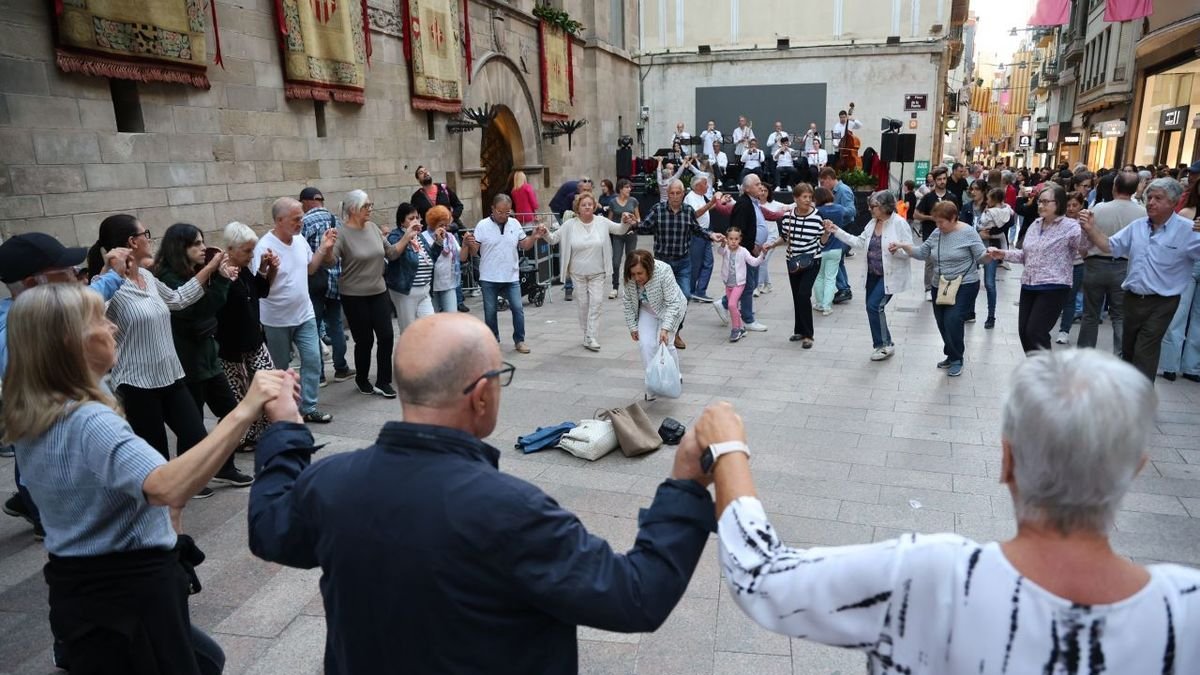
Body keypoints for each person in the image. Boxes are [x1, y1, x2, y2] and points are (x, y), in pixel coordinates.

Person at [247, 312, 714, 673]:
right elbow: (636, 595)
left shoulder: (332, 482)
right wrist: (686, 483)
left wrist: (286, 427)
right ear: (482, 395)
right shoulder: (512, 511)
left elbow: (270, 528)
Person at [701, 350, 1200, 674]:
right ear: (1136, 469)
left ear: (1007, 460)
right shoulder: (1187, 610)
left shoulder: (934, 576)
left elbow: (762, 575)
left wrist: (728, 445)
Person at [6, 283, 288, 674]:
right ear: (70, 342)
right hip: (126, 593)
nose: (113, 328)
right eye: (100, 320)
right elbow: (164, 486)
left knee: (207, 659)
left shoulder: (35, 409)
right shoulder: (88, 420)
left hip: (82, 587)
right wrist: (245, 409)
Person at [0, 233, 131, 538]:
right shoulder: (14, 333)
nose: (77, 278)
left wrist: (112, 277)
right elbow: (162, 486)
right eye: (68, 272)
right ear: (34, 284)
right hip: (72, 474)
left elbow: (85, 294)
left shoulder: (51, 311)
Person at [88, 216, 228, 484]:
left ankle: (180, 488)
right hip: (137, 384)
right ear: (133, 241)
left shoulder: (147, 278)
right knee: (155, 456)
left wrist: (210, 268)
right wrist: (108, 271)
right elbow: (88, 314)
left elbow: (178, 299)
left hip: (171, 376)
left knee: (197, 436)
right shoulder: (105, 285)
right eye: (146, 234)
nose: (150, 239)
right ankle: (160, 507)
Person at [155, 223, 254, 488]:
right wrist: (218, 278)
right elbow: (195, 311)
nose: (203, 248)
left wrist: (219, 279)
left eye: (202, 242)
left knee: (232, 414)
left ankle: (224, 466)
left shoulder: (194, 272)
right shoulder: (167, 277)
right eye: (196, 244)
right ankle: (191, 478)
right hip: (187, 362)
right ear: (181, 247)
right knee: (193, 425)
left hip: (208, 358)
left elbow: (209, 310)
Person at [1080, 178, 1200, 381]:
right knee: (1128, 350)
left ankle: (1141, 399)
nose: (1151, 202)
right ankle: (1128, 395)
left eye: (1158, 198)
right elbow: (1110, 246)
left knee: (1145, 349)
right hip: (1133, 298)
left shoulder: (1187, 230)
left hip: (1163, 301)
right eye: (1149, 197)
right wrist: (1091, 229)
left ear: (1172, 202)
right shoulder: (1138, 226)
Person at [253, 197, 336, 424]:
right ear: (280, 220)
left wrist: (324, 248)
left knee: (312, 359)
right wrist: (266, 268)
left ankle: (308, 407)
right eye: (296, 219)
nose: (301, 223)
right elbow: (258, 286)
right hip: (276, 319)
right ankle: (282, 411)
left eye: (301, 218)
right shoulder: (264, 247)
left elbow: (310, 268)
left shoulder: (299, 240)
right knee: (280, 368)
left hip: (304, 313)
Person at [987, 186, 1090, 354]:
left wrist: (1087, 229)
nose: (1040, 205)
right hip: (1029, 284)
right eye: (1039, 201)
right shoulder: (1035, 225)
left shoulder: (1071, 227)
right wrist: (1002, 254)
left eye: (1045, 202)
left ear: (1059, 203)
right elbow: (1026, 255)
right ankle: (1037, 371)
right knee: (1024, 333)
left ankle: (1046, 374)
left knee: (1036, 331)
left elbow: (1084, 249)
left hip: (1054, 286)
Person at [892, 201, 986, 377]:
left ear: (954, 218)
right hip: (940, 284)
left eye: (942, 222)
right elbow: (922, 253)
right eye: (936, 221)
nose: (938, 225)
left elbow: (981, 256)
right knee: (942, 321)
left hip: (964, 283)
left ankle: (957, 358)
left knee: (953, 319)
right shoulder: (937, 233)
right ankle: (951, 354)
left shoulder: (968, 233)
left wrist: (990, 256)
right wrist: (903, 246)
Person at [635, 179, 726, 350]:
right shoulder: (658, 210)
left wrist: (711, 235)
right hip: (662, 264)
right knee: (662, 300)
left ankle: (675, 332)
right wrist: (630, 223)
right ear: (667, 194)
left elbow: (696, 229)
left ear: (683, 194)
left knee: (684, 297)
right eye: (672, 193)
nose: (675, 196)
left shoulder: (688, 211)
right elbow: (644, 227)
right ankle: (662, 330)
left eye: (678, 193)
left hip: (683, 262)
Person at [327, 190, 400, 398]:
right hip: (354, 295)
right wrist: (326, 248)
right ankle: (361, 378)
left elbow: (392, 253)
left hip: (378, 290)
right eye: (366, 206)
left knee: (386, 336)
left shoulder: (374, 228)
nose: (370, 209)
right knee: (365, 340)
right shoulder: (341, 233)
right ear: (352, 209)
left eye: (370, 205)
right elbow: (330, 262)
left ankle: (383, 381)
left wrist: (409, 235)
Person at [828, 190, 913, 360]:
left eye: (874, 206)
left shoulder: (899, 223)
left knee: (874, 306)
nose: (870, 209)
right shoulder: (872, 223)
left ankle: (883, 345)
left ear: (885, 207)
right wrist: (836, 230)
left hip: (889, 275)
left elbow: (910, 250)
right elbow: (859, 242)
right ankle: (886, 342)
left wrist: (898, 249)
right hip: (872, 274)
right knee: (873, 307)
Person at [216, 222, 277, 454]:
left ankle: (271, 430)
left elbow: (259, 291)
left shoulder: (243, 270)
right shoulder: (220, 274)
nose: (251, 255)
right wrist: (223, 279)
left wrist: (266, 269)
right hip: (232, 348)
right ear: (230, 249)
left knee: (269, 385)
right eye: (247, 251)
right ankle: (246, 437)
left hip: (255, 341)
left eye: (253, 250)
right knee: (241, 394)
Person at [542, 192, 628, 351]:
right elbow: (554, 239)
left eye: (590, 204)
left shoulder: (602, 222)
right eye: (584, 205)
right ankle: (586, 333)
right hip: (577, 273)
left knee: (596, 303)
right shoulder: (569, 225)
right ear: (578, 208)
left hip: (598, 272)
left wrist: (625, 222)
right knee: (583, 305)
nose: (587, 207)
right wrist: (545, 233)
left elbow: (620, 230)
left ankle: (591, 336)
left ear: (594, 206)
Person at [463, 193, 548, 354]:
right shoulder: (482, 225)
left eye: (507, 212)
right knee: (490, 312)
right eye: (500, 211)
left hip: (511, 276)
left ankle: (519, 340)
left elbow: (524, 245)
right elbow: (475, 252)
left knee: (517, 308)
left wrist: (534, 237)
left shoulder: (515, 223)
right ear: (493, 209)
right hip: (489, 277)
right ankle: (493, 340)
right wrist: (469, 244)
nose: (503, 215)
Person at [299, 186, 351, 387]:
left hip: (315, 281)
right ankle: (341, 368)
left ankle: (319, 375)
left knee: (313, 329)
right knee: (336, 325)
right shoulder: (335, 220)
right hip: (335, 281)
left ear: (306, 201)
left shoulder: (304, 222)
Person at [770, 182, 830, 348]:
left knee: (804, 294)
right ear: (795, 198)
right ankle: (799, 330)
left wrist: (826, 232)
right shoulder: (788, 217)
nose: (808, 200)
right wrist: (772, 245)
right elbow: (785, 237)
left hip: (812, 260)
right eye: (804, 197)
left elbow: (822, 243)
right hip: (793, 261)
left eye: (810, 197)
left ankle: (808, 335)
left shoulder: (817, 217)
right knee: (797, 296)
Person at [622, 250, 688, 399]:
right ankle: (652, 384)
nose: (636, 278)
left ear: (649, 269)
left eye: (640, 273)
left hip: (670, 308)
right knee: (646, 345)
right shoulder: (629, 275)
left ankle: (675, 376)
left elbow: (673, 303)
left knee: (666, 343)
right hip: (646, 309)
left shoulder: (664, 270)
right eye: (633, 274)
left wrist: (665, 329)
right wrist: (632, 326)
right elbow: (627, 302)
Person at [1159, 179, 1200, 381]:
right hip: (1188, 265)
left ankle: (1193, 367)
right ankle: (1169, 364)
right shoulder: (1187, 213)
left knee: (1198, 319)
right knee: (1178, 315)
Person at [385, 201, 440, 341]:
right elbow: (394, 255)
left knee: (431, 328)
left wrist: (438, 242)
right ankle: (408, 360)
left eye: (417, 217)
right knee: (409, 332)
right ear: (402, 222)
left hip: (424, 289)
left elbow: (431, 258)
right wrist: (407, 236)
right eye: (411, 218)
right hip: (406, 291)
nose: (415, 221)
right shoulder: (396, 236)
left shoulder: (420, 237)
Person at [913, 167, 961, 295]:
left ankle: (944, 287)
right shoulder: (928, 197)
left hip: (949, 235)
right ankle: (928, 288)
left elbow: (957, 216)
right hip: (930, 234)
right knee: (930, 262)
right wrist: (931, 218)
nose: (942, 181)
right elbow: (916, 214)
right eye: (939, 179)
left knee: (947, 261)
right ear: (934, 181)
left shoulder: (952, 197)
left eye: (944, 179)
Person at [715, 227, 765, 342]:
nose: (733, 241)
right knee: (734, 307)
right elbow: (720, 252)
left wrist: (762, 254)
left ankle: (736, 329)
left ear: (740, 239)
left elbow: (754, 262)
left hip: (739, 284)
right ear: (727, 239)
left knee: (732, 305)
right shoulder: (726, 249)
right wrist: (722, 244)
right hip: (728, 283)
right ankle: (741, 327)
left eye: (736, 239)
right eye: (731, 239)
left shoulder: (743, 251)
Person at [818, 167, 858, 303]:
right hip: (837, 229)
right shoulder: (836, 191)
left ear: (829, 179)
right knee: (837, 260)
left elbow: (852, 211)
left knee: (835, 259)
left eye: (823, 182)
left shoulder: (843, 190)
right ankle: (844, 288)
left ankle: (843, 288)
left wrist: (834, 211)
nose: (822, 185)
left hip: (844, 228)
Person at [976, 188, 1014, 329]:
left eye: (976, 189)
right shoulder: (970, 207)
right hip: (975, 246)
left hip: (990, 248)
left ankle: (991, 316)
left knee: (989, 283)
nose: (974, 192)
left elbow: (1008, 224)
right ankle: (968, 311)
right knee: (970, 281)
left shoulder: (993, 211)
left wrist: (990, 232)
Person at [1054, 192, 1089, 344]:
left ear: (1081, 205)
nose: (1071, 208)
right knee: (1055, 298)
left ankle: (1064, 330)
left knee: (1070, 298)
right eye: (1068, 205)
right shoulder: (1058, 221)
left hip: (1077, 265)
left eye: (1075, 205)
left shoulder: (1085, 223)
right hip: (1059, 264)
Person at [812, 186, 850, 315]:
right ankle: (827, 306)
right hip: (836, 248)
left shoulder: (817, 211)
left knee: (819, 277)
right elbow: (848, 215)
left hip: (820, 248)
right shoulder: (839, 209)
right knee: (830, 278)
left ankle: (819, 303)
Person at [423, 205, 469, 313]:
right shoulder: (424, 237)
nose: (443, 228)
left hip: (448, 283)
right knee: (433, 320)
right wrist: (437, 241)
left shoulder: (450, 237)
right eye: (440, 225)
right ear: (433, 224)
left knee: (451, 318)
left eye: (445, 224)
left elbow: (462, 257)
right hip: (431, 286)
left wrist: (465, 244)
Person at [683, 174, 720, 303]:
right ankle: (691, 290)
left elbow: (706, 209)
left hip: (706, 232)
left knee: (708, 262)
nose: (708, 186)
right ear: (698, 185)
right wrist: (711, 202)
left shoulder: (701, 196)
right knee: (695, 263)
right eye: (705, 183)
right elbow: (696, 213)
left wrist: (719, 202)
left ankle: (701, 291)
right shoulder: (690, 197)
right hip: (696, 233)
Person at [607, 178, 641, 299]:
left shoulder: (633, 201)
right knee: (616, 262)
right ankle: (615, 287)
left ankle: (631, 287)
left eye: (630, 187)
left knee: (631, 261)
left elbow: (639, 219)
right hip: (617, 235)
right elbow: (609, 221)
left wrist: (633, 221)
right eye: (627, 187)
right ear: (620, 189)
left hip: (631, 234)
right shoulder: (613, 202)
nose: (629, 189)